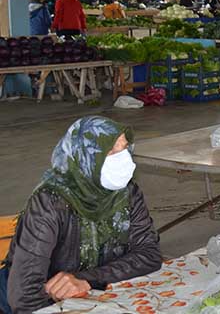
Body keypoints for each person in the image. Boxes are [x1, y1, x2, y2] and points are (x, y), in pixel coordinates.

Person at [0, 117, 162, 313]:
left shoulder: (127, 193)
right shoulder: (50, 203)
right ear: (84, 157)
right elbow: (24, 295)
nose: (123, 158)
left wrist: (87, 279)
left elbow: (149, 254)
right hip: (32, 300)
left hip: (88, 291)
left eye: (125, 148)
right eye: (111, 151)